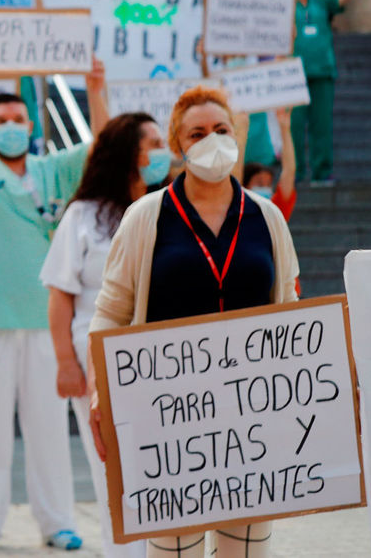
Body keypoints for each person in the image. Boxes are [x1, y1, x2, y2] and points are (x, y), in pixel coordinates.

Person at [88, 86, 299, 558]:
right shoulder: (146, 216)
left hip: (251, 416)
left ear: (236, 135)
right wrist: (100, 390)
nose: (211, 140)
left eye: (221, 129)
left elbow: (288, 307)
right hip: (169, 418)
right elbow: (110, 313)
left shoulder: (267, 217)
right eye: (197, 133)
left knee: (246, 550)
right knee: (174, 550)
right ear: (177, 144)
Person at [0, 56, 109, 554]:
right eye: (1, 120)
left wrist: (95, 89)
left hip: (45, 318)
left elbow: (102, 147)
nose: (10, 126)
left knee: (49, 427)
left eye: (18, 119)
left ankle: (57, 521)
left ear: (31, 126)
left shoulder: (54, 170)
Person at [40, 113, 169, 558]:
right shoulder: (84, 215)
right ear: (128, 152)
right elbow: (60, 294)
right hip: (97, 361)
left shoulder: (170, 208)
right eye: (154, 143)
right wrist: (65, 363)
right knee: (112, 468)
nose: (164, 151)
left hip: (164, 359)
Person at [288, 0, 351, 185]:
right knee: (293, 127)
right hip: (292, 76)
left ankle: (322, 172)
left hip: (322, 71)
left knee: (322, 125)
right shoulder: (283, 6)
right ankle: (294, 173)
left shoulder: (321, 1)